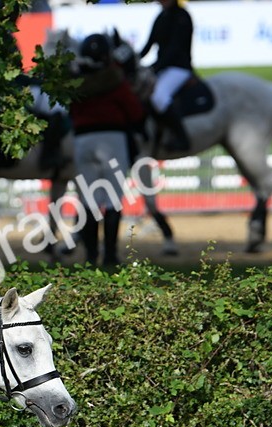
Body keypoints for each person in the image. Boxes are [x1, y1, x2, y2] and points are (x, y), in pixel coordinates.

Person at [70, 33, 145, 267]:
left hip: (82, 141)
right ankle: (110, 256)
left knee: (89, 201)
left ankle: (91, 257)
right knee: (112, 200)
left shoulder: (75, 80)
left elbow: (69, 111)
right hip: (112, 139)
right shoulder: (115, 79)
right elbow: (135, 112)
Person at [139, 0, 193, 152]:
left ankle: (182, 138)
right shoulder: (161, 16)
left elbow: (175, 49)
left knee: (159, 96)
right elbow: (149, 44)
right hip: (163, 67)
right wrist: (135, 61)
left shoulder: (182, 16)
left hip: (179, 68)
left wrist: (155, 67)